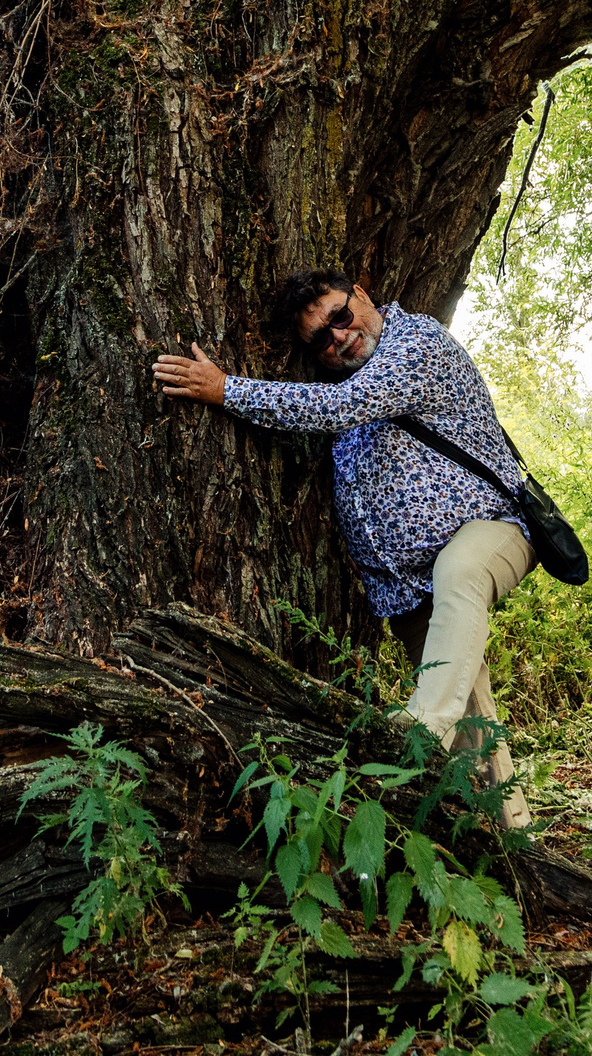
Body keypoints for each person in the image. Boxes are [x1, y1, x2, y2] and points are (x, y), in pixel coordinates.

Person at [152, 270, 535, 828]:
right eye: (320, 339)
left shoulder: (417, 344)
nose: (338, 336)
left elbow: (336, 408)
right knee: (473, 724)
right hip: (410, 588)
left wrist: (224, 388)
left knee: (459, 581)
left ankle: (412, 736)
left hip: (490, 532)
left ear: (361, 293)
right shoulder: (347, 387)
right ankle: (513, 840)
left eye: (339, 316)